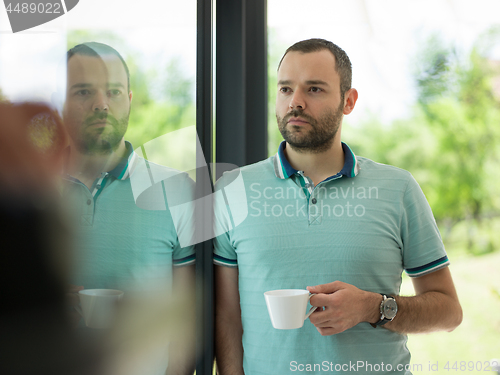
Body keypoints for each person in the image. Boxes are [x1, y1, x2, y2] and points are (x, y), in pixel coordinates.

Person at [214, 38, 462, 375]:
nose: (295, 102)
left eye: (314, 89)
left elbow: (449, 312)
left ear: (349, 101)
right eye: (285, 89)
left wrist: (373, 308)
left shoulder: (398, 189)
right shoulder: (232, 190)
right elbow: (227, 315)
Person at [61, 42, 195, 375]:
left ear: (130, 100)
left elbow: (186, 321)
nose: (101, 105)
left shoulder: (179, 191)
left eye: (114, 92)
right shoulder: (24, 194)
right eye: (83, 92)